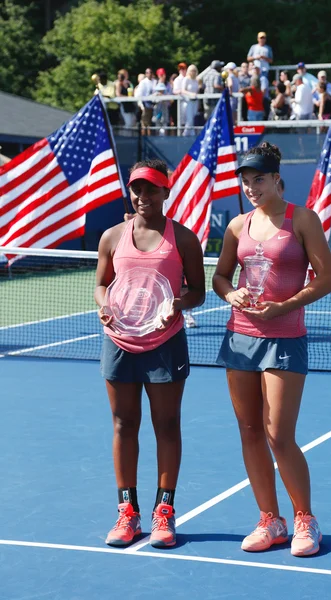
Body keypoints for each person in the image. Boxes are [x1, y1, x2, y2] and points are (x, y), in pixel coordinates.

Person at [212, 142, 331, 557]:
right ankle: (270, 519)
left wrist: (283, 306)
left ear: (276, 179)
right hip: (239, 339)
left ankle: (305, 519)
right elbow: (221, 278)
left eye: (259, 179)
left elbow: (327, 278)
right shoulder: (237, 227)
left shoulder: (303, 219)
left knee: (279, 435)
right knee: (250, 432)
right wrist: (230, 296)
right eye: (246, 182)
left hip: (285, 338)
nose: (251, 187)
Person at [95, 159, 205, 549]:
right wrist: (103, 306)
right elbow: (101, 285)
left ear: (166, 193)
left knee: (167, 425)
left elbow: (198, 291)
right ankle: (127, 512)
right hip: (119, 344)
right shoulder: (111, 237)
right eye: (137, 189)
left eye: (152, 189)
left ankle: (164, 512)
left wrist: (177, 304)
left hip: (166, 344)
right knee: (124, 425)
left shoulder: (185, 239)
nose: (143, 196)